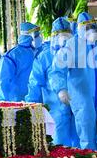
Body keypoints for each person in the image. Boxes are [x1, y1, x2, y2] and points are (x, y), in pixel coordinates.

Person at [50, 12, 97, 153]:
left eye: (92, 26)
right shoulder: (72, 46)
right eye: (86, 27)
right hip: (82, 98)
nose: (90, 30)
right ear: (78, 29)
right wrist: (61, 89)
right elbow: (57, 70)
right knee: (86, 137)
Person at [25, 17, 79, 147]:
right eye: (59, 34)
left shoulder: (80, 53)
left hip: (79, 107)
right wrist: (31, 107)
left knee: (82, 145)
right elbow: (34, 85)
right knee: (60, 147)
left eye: (66, 33)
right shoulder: (45, 57)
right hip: (56, 111)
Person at [0, 22, 43, 102]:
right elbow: (3, 82)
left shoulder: (40, 53)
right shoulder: (11, 57)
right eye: (36, 35)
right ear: (30, 37)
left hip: (37, 102)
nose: (39, 38)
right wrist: (5, 104)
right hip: (16, 104)